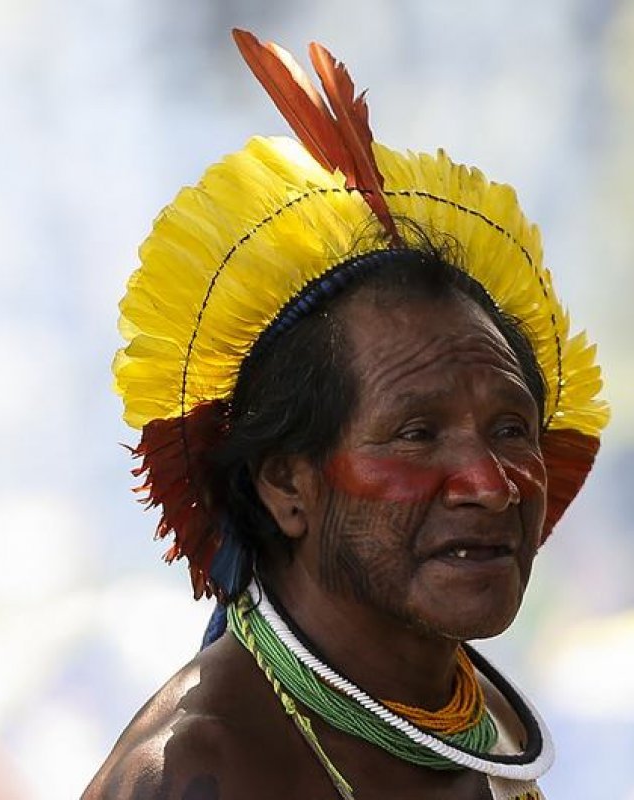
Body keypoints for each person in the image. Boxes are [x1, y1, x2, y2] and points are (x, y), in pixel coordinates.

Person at [85, 29, 608, 799]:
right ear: (285, 486)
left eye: (510, 430)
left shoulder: (472, 722)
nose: (490, 486)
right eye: (416, 435)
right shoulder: (202, 772)